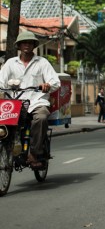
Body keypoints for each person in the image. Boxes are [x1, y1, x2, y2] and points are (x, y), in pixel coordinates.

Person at [0, 31, 60, 168]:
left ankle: (34, 152)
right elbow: (1, 81)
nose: (26, 45)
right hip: (15, 103)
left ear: (34, 45)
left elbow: (55, 82)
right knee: (3, 123)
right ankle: (8, 146)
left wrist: (47, 85)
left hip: (37, 102)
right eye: (23, 43)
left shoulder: (42, 62)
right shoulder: (10, 63)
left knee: (41, 118)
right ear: (19, 46)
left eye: (29, 42)